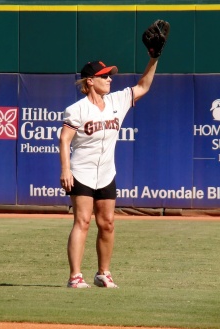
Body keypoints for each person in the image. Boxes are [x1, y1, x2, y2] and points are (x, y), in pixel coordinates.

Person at [58, 54, 160, 288]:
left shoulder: (118, 101)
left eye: (110, 76)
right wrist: (66, 169)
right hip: (81, 171)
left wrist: (153, 58)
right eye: (104, 76)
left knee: (108, 223)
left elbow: (143, 85)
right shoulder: (77, 109)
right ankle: (75, 276)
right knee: (82, 221)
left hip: (106, 172)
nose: (110, 80)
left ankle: (103, 273)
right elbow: (65, 140)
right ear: (90, 81)